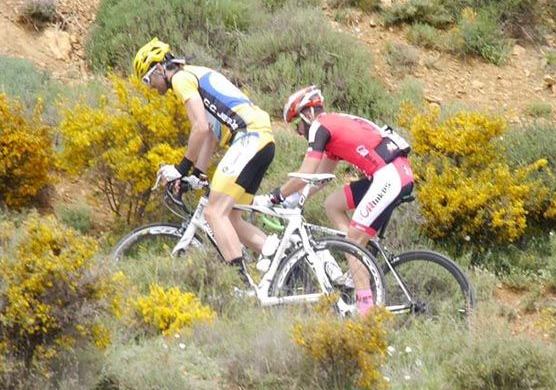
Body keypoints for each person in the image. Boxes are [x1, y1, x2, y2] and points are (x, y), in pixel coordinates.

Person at [258, 86, 414, 315]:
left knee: (352, 243)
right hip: (391, 173)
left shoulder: (320, 126)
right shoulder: (333, 126)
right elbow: (319, 178)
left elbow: (307, 170)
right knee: (332, 204)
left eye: (297, 124)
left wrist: (275, 196)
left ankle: (366, 313)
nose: (298, 131)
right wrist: (294, 201)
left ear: (307, 114)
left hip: (390, 176)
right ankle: (360, 254)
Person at [133, 38, 276, 281]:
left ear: (159, 68)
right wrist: (197, 173)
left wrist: (181, 169)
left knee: (213, 213)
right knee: (231, 218)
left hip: (248, 137)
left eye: (147, 79)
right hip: (261, 140)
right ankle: (284, 263)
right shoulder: (194, 75)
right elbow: (210, 133)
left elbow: (199, 127)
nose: (149, 87)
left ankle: (238, 283)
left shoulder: (180, 78)